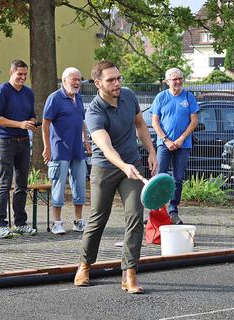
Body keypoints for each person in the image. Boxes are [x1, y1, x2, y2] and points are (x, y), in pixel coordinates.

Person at [74, 61, 158, 294]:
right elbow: (105, 146)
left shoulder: (129, 97)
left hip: (132, 166)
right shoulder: (94, 111)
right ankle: (84, 265)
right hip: (106, 167)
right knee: (98, 218)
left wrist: (151, 151)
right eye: (111, 80)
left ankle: (129, 273)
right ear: (98, 83)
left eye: (119, 78)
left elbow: (140, 124)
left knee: (135, 216)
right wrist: (123, 165)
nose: (117, 83)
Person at [0, 59, 38, 238]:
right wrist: (20, 124)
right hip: (5, 140)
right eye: (20, 74)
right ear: (11, 73)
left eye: (25, 75)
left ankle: (20, 223)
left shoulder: (28, 93)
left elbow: (31, 115)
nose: (23, 78)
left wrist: (32, 122)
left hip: (23, 141)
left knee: (22, 184)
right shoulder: (2, 91)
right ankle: (0, 224)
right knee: (5, 183)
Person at [42, 67, 91, 234]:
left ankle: (78, 221)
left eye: (79, 79)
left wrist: (86, 140)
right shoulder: (54, 98)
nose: (77, 83)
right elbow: (45, 123)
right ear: (64, 81)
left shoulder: (79, 98)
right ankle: (57, 223)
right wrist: (47, 147)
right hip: (59, 149)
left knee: (80, 186)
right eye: (73, 79)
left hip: (77, 150)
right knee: (59, 186)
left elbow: (82, 120)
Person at [150, 67, 198, 224]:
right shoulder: (161, 97)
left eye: (180, 78)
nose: (178, 81)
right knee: (159, 177)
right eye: (174, 79)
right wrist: (166, 140)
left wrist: (181, 139)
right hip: (164, 145)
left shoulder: (189, 97)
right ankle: (156, 210)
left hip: (183, 145)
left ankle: (173, 210)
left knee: (177, 178)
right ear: (167, 81)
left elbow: (194, 121)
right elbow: (155, 121)